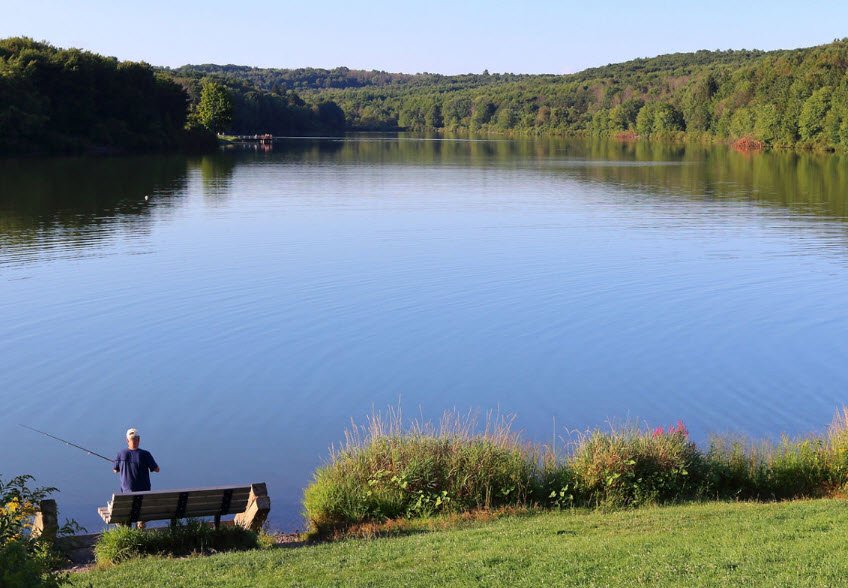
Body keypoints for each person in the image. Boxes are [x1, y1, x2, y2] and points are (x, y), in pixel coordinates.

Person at [113, 428, 160, 493]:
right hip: (144, 492)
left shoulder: (120, 454)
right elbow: (157, 470)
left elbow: (115, 470)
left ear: (127, 440)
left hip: (127, 492)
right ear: (139, 439)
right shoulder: (145, 454)